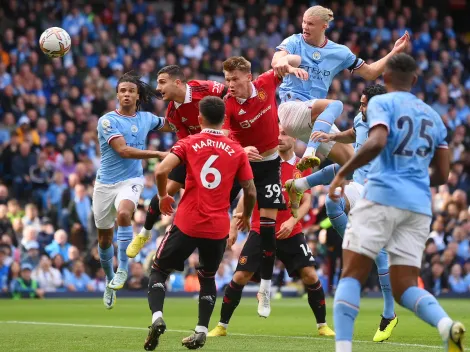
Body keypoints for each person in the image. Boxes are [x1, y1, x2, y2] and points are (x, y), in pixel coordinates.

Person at [328, 53, 465, 352]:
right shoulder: (434, 116)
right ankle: (446, 326)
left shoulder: (381, 103)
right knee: (405, 286)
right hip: (417, 207)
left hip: (381, 195)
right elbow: (443, 173)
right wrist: (411, 176)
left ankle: (342, 348)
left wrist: (344, 172)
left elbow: (376, 141)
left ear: (385, 78)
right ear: (414, 80)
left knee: (351, 273)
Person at [285, 84, 398, 342]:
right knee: (332, 202)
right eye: (360, 102)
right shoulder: (361, 118)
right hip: (361, 187)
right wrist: (334, 137)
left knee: (381, 256)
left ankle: (389, 314)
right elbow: (354, 133)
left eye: (365, 104)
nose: (360, 107)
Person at [143, 96, 256, 351]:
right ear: (223, 119)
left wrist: (163, 197)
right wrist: (245, 216)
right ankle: (202, 330)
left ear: (199, 119)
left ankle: (157, 317)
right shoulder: (237, 151)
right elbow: (250, 190)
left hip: (188, 222)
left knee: (159, 269)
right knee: (207, 277)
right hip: (217, 227)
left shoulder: (189, 143)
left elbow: (161, 171)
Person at [208, 126, 335, 338]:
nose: (279, 137)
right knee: (240, 276)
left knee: (310, 275)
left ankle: (322, 325)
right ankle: (222, 325)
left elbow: (306, 200)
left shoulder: (302, 164)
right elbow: (247, 194)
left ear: (294, 138)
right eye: (276, 133)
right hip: (260, 228)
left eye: (284, 134)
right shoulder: (263, 162)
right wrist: (233, 224)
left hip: (290, 231)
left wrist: (292, 221)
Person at [272, 5, 410, 171]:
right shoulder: (294, 41)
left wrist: (394, 52)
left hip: (316, 120)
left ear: (324, 26)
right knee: (335, 105)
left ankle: (301, 185)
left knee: (355, 165)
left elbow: (370, 73)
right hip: (291, 110)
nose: (304, 27)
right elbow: (278, 60)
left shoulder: (340, 52)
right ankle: (310, 153)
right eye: (303, 22)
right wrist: (282, 63)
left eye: (310, 24)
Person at [222, 56, 306, 317]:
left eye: (235, 79)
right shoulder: (228, 104)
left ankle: (265, 289)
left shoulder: (266, 84)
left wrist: (289, 64)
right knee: (216, 202)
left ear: (248, 77)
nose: (231, 85)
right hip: (243, 163)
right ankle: (229, 228)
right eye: (227, 80)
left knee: (268, 230)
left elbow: (291, 59)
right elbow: (223, 138)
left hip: (269, 165)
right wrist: (240, 149)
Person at [127, 65, 228, 258]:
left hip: (221, 150)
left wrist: (228, 126)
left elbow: (228, 94)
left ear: (178, 82)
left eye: (162, 82)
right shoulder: (173, 111)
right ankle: (144, 233)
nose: (158, 87)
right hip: (196, 152)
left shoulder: (203, 88)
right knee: (165, 188)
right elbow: (184, 141)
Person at [93, 72, 171, 310]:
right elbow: (123, 151)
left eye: (131, 91)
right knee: (104, 239)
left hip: (132, 180)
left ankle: (123, 269)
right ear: (117, 94)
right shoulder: (107, 121)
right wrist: (158, 154)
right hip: (105, 184)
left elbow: (172, 125)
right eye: (122, 90)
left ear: (138, 96)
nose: (126, 94)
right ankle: (109, 279)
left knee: (125, 215)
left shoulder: (147, 118)